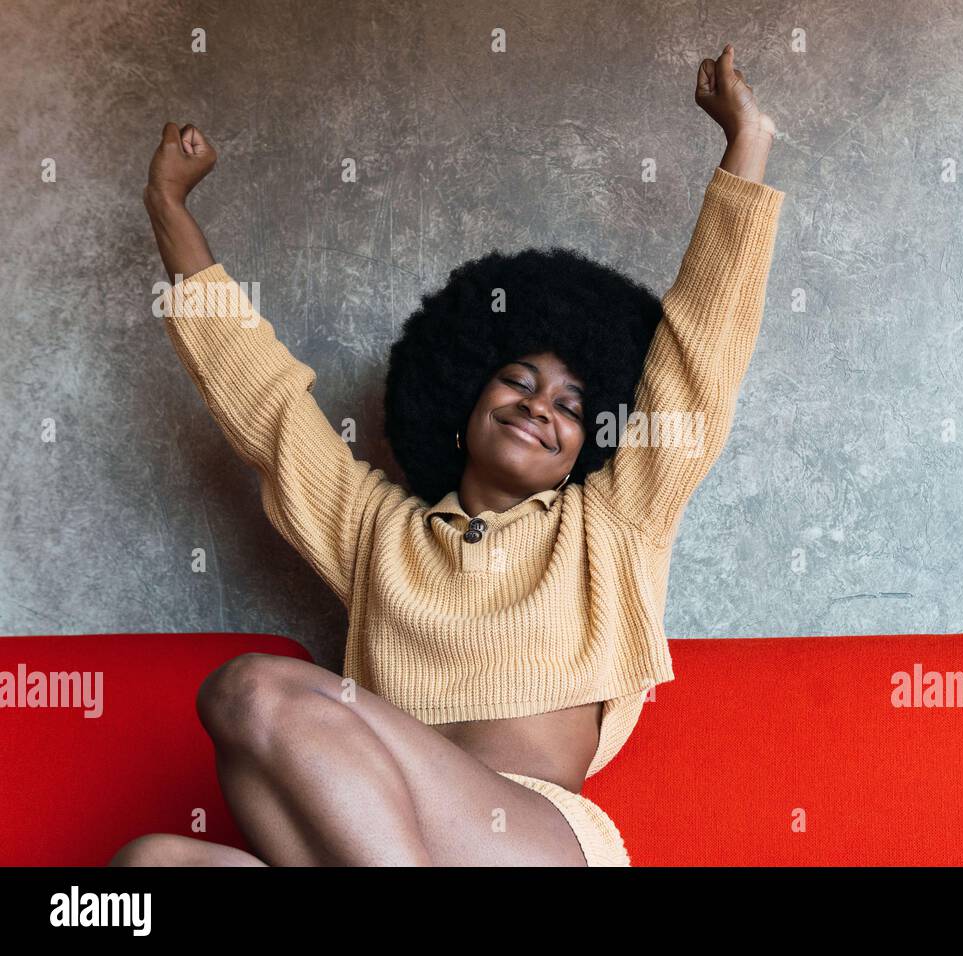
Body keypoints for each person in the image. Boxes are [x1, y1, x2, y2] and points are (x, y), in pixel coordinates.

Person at [112, 43, 785, 867]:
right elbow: (265, 405)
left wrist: (746, 146)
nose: (541, 406)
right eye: (516, 380)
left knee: (250, 686)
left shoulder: (611, 524)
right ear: (460, 405)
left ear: (588, 447)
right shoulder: (375, 534)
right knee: (149, 865)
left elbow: (698, 364)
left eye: (572, 407)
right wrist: (167, 206)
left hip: (533, 843)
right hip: (382, 842)